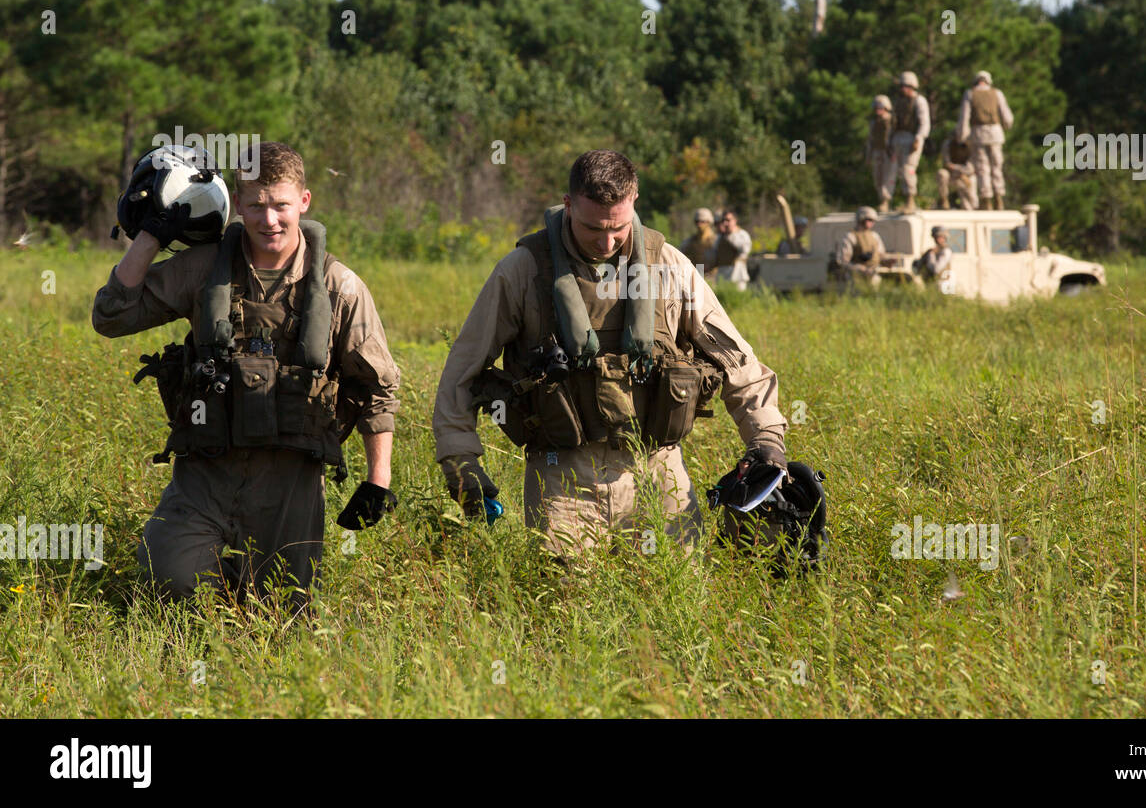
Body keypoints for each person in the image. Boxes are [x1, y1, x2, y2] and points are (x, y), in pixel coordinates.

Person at [91, 142, 401, 612]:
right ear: (238, 205)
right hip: (206, 472)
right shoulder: (204, 270)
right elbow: (111, 316)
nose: (268, 219)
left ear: (304, 201)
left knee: (281, 612)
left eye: (280, 204)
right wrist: (151, 235)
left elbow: (379, 387)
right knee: (170, 577)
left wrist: (378, 480)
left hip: (291, 482)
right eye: (256, 205)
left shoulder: (340, 288)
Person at [432, 150, 787, 556]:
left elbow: (739, 363)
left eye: (617, 229)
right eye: (592, 228)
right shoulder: (523, 271)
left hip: (658, 471)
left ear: (634, 201)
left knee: (672, 599)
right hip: (563, 478)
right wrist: (462, 466)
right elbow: (462, 370)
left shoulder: (670, 268)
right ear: (568, 204)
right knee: (565, 605)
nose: (606, 242)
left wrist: (766, 443)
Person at [956, 70, 1015, 210]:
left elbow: (964, 117)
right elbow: (1006, 115)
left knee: (982, 168)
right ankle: (998, 197)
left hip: (979, 133)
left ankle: (986, 198)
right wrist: (1007, 125)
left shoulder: (970, 94)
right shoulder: (997, 93)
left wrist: (962, 136)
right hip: (995, 132)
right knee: (997, 166)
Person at [889, 72, 930, 214]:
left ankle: (910, 200)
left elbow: (924, 122)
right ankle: (905, 199)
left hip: (911, 138)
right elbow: (892, 124)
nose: (902, 89)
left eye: (905, 86)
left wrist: (919, 138)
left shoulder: (919, 101)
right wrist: (890, 141)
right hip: (898, 138)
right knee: (900, 171)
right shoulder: (898, 102)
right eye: (901, 86)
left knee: (909, 169)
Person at [835, 206, 887, 289]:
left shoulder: (875, 236)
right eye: (869, 220)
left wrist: (887, 262)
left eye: (873, 221)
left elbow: (881, 255)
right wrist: (860, 269)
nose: (872, 223)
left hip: (873, 274)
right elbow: (843, 261)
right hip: (856, 276)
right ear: (861, 219)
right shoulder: (850, 236)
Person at [866, 95, 895, 213]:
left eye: (880, 107)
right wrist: (868, 156)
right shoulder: (874, 123)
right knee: (878, 177)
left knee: (888, 177)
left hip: (889, 152)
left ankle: (886, 200)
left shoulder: (891, 121)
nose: (878, 109)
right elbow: (870, 140)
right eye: (876, 107)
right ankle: (881, 199)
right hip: (878, 152)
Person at [713, 209, 752, 291]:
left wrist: (731, 235)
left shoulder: (742, 235)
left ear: (735, 221)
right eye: (723, 220)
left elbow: (744, 250)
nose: (725, 223)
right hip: (722, 276)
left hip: (737, 276)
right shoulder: (720, 238)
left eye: (728, 220)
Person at [937, 132, 978, 211]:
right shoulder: (948, 145)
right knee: (941, 173)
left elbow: (971, 168)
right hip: (952, 176)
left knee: (972, 180)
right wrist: (959, 171)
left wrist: (960, 172)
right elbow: (947, 164)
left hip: (966, 176)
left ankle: (974, 205)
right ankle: (944, 200)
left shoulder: (971, 146)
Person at [679, 207, 717, 274]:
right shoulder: (690, 241)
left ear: (709, 222)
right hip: (697, 275)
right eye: (697, 221)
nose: (699, 224)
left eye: (702, 221)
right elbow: (679, 255)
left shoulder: (716, 240)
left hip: (714, 277)